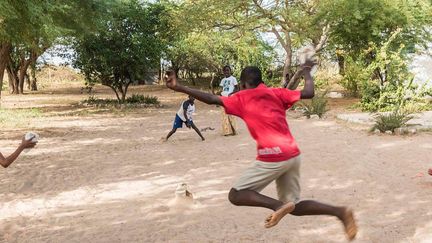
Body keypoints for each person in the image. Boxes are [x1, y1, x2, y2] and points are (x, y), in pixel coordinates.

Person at [164, 61, 357, 240]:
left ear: (242, 84)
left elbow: (211, 98)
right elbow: (309, 92)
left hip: (272, 155)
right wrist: (306, 72)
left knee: (236, 195)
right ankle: (340, 212)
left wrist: (179, 87)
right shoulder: (277, 92)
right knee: (294, 207)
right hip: (292, 154)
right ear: (261, 81)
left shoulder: (241, 98)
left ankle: (278, 206)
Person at [219, 65, 238, 136]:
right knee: (224, 115)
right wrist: (219, 96)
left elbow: (236, 88)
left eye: (228, 70)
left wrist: (231, 93)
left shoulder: (233, 79)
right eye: (225, 70)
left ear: (230, 71)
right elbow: (221, 89)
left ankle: (234, 130)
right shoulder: (223, 80)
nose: (226, 72)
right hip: (223, 98)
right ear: (223, 72)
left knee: (231, 115)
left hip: (230, 99)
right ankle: (226, 132)